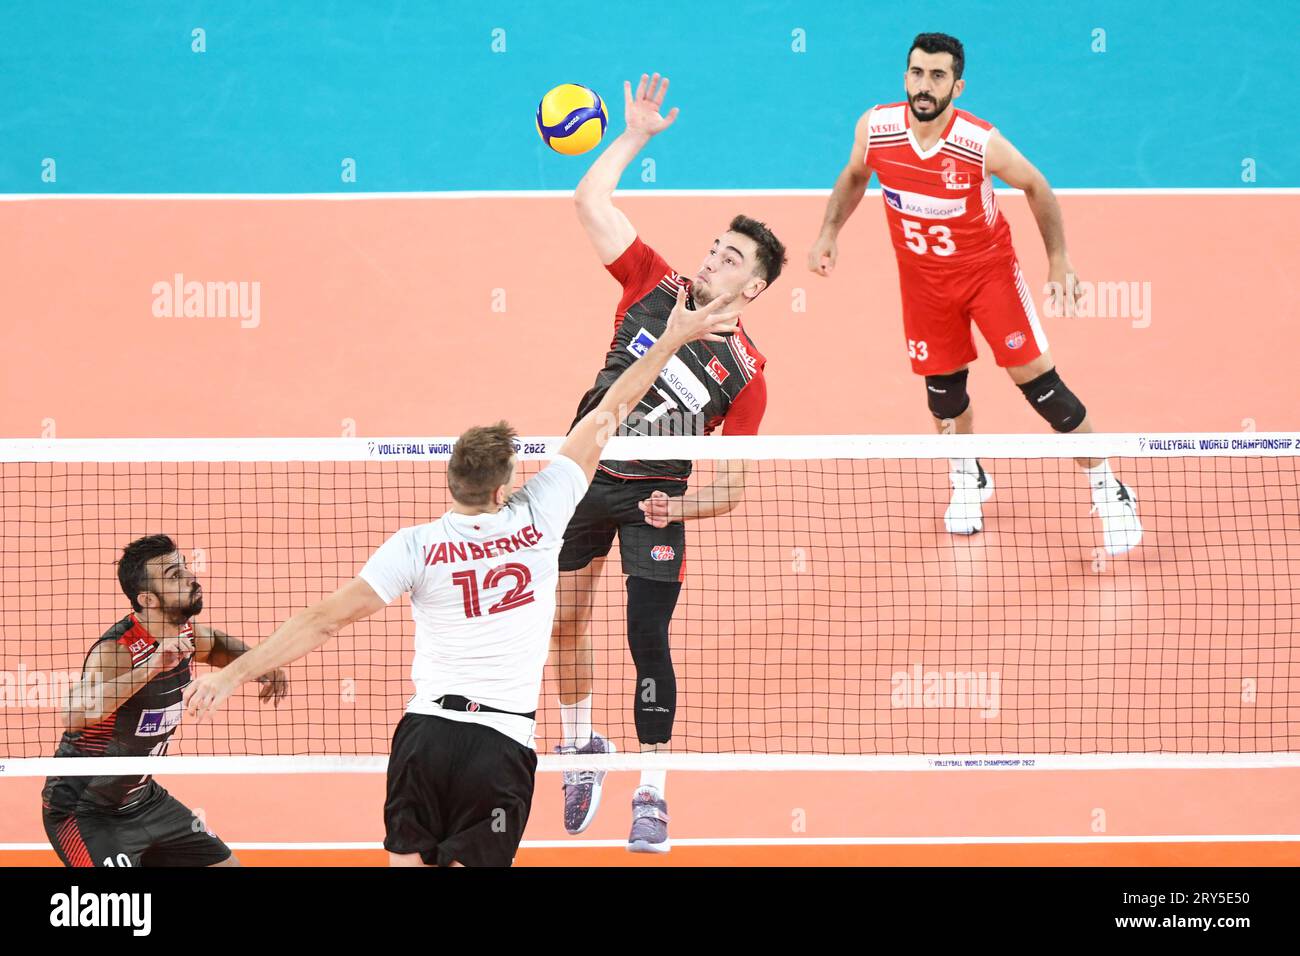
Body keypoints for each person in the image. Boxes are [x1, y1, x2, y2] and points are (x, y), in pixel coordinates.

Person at [183, 288, 739, 867]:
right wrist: (674, 337)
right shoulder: (544, 509)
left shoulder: (415, 547)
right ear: (502, 489)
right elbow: (611, 411)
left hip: (424, 736)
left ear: (452, 482)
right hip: (497, 747)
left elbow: (321, 621)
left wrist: (232, 677)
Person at [554, 72, 788, 853]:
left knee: (647, 641)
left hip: (653, 500)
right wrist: (633, 138)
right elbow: (589, 204)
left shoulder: (747, 377)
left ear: (753, 285)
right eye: (715, 246)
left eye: (730, 258)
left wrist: (676, 509)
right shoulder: (654, 281)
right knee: (565, 625)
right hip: (580, 477)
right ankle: (582, 744)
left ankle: (652, 790)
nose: (713, 258)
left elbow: (732, 485)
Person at [808, 33, 1142, 555]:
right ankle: (968, 476)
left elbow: (1037, 186)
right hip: (922, 283)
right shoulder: (876, 128)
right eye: (917, 73)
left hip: (989, 275)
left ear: (956, 86)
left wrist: (1058, 259)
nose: (925, 85)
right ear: (905, 78)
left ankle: (1109, 489)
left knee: (1043, 389)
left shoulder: (978, 142)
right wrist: (829, 232)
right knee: (944, 396)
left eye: (938, 76)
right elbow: (854, 176)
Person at [42, 534, 288, 867]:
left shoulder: (185, 633)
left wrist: (257, 665)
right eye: (175, 575)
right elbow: (74, 714)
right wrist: (151, 666)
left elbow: (214, 644)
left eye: (185, 566)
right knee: (122, 912)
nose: (191, 576)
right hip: (85, 811)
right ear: (149, 599)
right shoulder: (117, 650)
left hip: (145, 800)